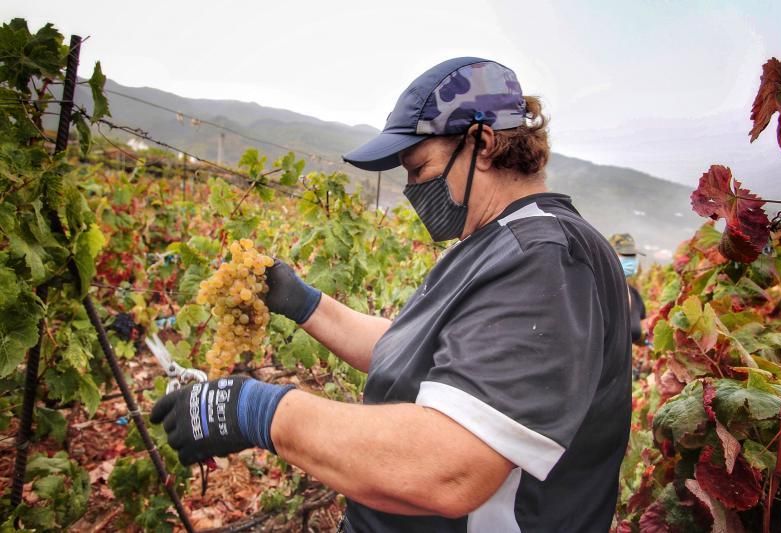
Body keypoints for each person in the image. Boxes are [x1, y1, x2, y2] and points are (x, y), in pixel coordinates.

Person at [151, 57, 632, 532]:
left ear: (482, 144)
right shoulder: (497, 242)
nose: (411, 189)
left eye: (419, 167)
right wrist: (304, 303)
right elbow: (413, 354)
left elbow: (448, 466)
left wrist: (257, 410)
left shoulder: (544, 258)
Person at [609, 233, 647, 345]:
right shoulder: (596, 292)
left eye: (633, 255)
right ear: (609, 255)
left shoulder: (634, 295)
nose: (630, 260)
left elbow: (638, 334)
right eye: (625, 255)